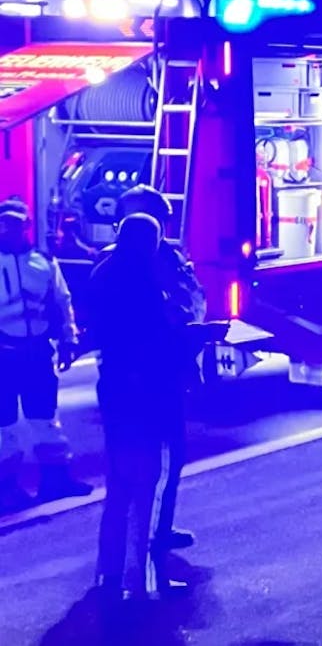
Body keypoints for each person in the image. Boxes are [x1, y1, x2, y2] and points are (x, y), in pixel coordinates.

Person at [88, 213, 192, 601]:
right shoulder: (144, 280)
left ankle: (108, 574)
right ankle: (140, 578)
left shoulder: (104, 274)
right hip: (145, 391)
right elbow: (158, 336)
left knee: (119, 484)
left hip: (115, 387)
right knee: (144, 482)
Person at [99, 186, 206, 554]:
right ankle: (141, 547)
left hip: (151, 375)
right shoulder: (127, 269)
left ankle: (149, 534)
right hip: (146, 379)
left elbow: (193, 300)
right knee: (145, 465)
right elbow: (163, 318)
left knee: (163, 460)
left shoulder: (162, 260)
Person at [0, 197, 91, 511]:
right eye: (4, 222)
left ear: (25, 226)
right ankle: (6, 490)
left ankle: (56, 481)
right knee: (3, 426)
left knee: (45, 420)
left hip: (37, 354)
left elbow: (61, 303)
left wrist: (69, 339)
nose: (9, 228)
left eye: (15, 223)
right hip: (3, 355)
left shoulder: (44, 263)